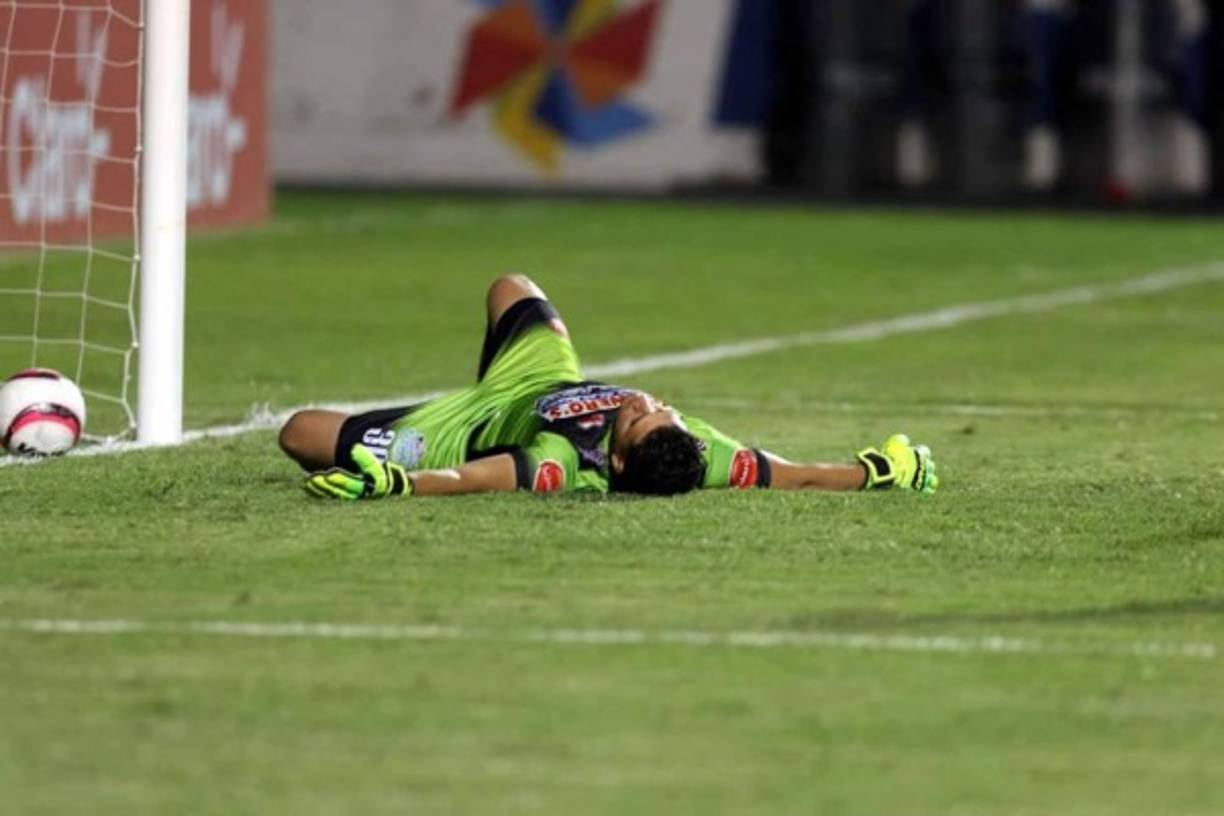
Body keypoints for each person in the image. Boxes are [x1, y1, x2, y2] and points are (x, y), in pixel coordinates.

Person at [279, 275, 938, 500]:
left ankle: (418, 433)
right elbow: (796, 475)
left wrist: (402, 483)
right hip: (542, 376)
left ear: (616, 460)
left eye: (640, 417)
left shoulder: (562, 463)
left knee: (300, 433)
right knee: (511, 287)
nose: (646, 402)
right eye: (663, 410)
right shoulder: (700, 453)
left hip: (464, 431)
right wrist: (877, 472)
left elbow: (471, 479)